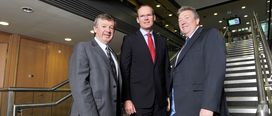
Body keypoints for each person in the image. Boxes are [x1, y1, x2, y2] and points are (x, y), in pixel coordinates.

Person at [170, 6, 229, 116]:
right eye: (179, 20)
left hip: (199, 106)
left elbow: (215, 71)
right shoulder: (184, 46)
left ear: (197, 20)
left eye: (186, 17)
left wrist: (208, 106)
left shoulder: (210, 34)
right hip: (180, 107)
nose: (182, 22)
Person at [120, 4, 170, 116]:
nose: (146, 18)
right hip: (138, 103)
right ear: (138, 20)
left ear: (154, 17)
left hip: (160, 102)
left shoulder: (162, 41)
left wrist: (168, 96)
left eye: (149, 15)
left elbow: (166, 71)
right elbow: (124, 71)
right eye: (142, 16)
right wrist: (127, 99)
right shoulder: (129, 40)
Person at [69, 13, 122, 116]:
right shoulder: (83, 48)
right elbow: (80, 87)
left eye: (111, 27)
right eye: (104, 26)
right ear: (95, 29)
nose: (108, 30)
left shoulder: (113, 54)